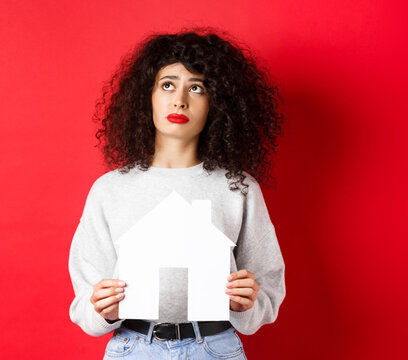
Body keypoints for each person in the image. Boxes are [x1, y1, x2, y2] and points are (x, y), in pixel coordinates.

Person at [67, 29, 286, 359]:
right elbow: (86, 302)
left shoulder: (238, 187)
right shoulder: (110, 189)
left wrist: (246, 303)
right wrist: (103, 310)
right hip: (133, 347)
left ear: (217, 103)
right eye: (167, 84)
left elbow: (266, 288)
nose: (179, 99)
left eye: (196, 88)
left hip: (215, 347)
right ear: (148, 96)